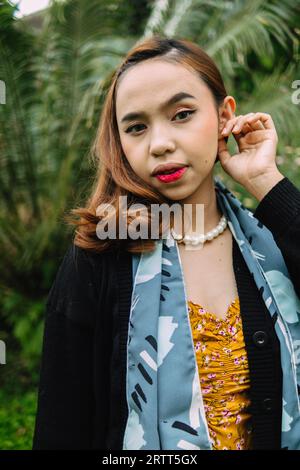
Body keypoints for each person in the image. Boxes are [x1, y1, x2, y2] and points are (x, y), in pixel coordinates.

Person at [32, 35, 300, 451]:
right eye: (136, 127)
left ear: (224, 115)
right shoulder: (101, 255)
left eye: (182, 114)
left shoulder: (272, 241)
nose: (159, 143)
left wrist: (266, 181)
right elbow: (62, 423)